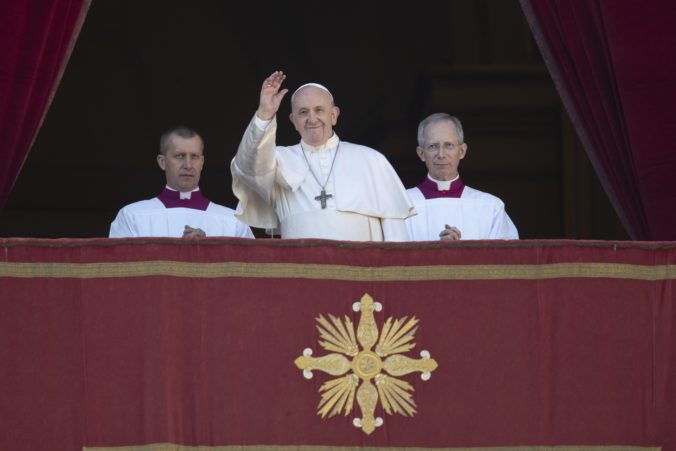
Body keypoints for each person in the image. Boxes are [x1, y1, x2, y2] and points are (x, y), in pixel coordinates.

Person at [230, 70, 414, 241]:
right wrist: (265, 113)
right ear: (293, 121)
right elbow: (247, 168)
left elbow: (395, 228)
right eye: (303, 112)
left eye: (319, 110)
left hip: (362, 272)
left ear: (333, 115)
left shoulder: (371, 160)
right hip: (302, 271)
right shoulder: (279, 160)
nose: (312, 119)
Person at [109, 126, 254, 239]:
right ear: (162, 162)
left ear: (202, 163)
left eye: (195, 156)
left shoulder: (233, 222)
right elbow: (119, 272)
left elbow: (251, 272)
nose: (188, 165)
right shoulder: (132, 217)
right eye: (179, 156)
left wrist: (210, 250)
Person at [406, 113, 518, 241]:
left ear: (461, 151)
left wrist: (461, 252)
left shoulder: (490, 207)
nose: (441, 154)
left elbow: (507, 258)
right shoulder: (402, 205)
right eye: (433, 146)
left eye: (449, 145)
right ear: (421, 153)